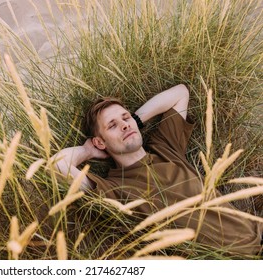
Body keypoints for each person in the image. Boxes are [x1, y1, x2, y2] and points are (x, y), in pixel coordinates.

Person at [52, 84, 262, 256]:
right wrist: (88, 151)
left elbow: (180, 93)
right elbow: (57, 164)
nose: (124, 125)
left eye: (125, 118)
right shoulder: (113, 188)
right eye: (112, 126)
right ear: (100, 142)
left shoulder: (166, 148)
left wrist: (135, 120)